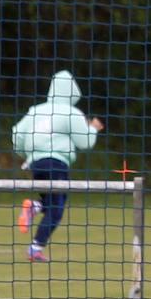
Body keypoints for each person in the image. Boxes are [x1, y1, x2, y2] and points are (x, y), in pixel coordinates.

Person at [11, 70, 104, 262]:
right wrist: (92, 129)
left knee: (53, 203)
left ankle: (34, 207)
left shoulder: (35, 110)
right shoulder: (71, 112)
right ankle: (35, 248)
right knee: (57, 208)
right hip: (57, 164)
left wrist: (27, 153)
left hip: (36, 164)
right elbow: (85, 142)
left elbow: (17, 134)